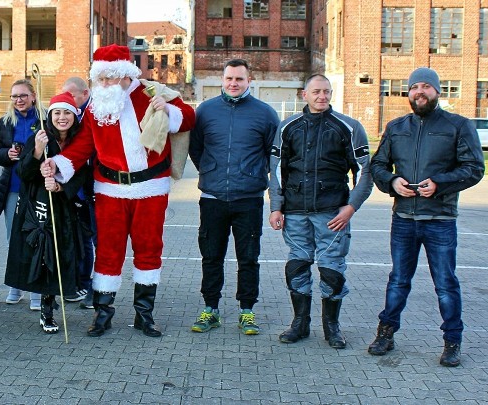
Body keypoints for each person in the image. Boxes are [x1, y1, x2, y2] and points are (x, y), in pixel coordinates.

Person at [42, 44, 196, 337]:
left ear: (125, 75)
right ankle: (102, 314)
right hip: (110, 190)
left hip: (151, 188)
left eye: (109, 78)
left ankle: (144, 314)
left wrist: (169, 110)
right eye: (100, 79)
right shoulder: (97, 106)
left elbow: (188, 118)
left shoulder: (151, 94)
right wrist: (58, 164)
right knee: (109, 252)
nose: (104, 85)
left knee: (149, 250)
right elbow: (82, 146)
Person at [367, 67, 485, 367]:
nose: (420, 91)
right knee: (398, 281)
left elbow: (474, 168)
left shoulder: (458, 126)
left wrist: (440, 184)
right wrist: (393, 183)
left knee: (445, 283)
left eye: (426, 86)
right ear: (408, 93)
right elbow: (378, 165)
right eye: (414, 87)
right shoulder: (396, 127)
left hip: (440, 221)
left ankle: (452, 341)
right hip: (404, 218)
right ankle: (386, 333)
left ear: (437, 91)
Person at [268, 74, 373, 348]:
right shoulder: (287, 127)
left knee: (332, 271)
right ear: (305, 94)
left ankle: (332, 327)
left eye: (326, 92)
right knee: (297, 266)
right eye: (316, 91)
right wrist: (276, 207)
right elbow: (277, 170)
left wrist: (351, 207)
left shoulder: (349, 127)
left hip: (332, 214)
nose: (322, 96)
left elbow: (364, 172)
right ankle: (300, 323)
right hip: (295, 212)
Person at [187, 59, 279, 336]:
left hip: (248, 198)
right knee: (211, 255)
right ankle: (210, 309)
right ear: (222, 79)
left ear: (249, 80)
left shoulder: (265, 114)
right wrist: (210, 170)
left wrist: (253, 174)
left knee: (248, 257)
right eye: (229, 78)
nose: (233, 83)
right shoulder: (205, 110)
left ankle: (247, 310)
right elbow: (196, 148)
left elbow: (272, 155)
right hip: (213, 196)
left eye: (239, 79)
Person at [5, 92, 88, 333]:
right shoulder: (40, 137)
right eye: (57, 113)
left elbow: (82, 172)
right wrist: (37, 152)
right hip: (39, 208)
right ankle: (46, 311)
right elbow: (23, 173)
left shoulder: (79, 142)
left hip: (65, 209)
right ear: (50, 115)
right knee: (44, 258)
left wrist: (61, 186)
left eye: (67, 113)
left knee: (61, 257)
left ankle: (58, 299)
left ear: (74, 115)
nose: (62, 118)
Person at [0, 79, 44, 310]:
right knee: (14, 239)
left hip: (37, 188)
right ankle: (16, 285)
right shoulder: (4, 122)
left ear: (33, 96)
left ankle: (35, 290)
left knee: (36, 237)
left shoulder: (45, 119)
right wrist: (7, 154)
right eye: (14, 96)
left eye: (23, 95)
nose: (18, 100)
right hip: (12, 187)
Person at [61, 76, 95, 308]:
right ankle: (78, 282)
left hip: (95, 188)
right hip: (74, 190)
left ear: (85, 93)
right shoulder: (69, 116)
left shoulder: (94, 113)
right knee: (80, 239)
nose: (68, 100)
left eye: (71, 95)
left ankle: (95, 287)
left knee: (96, 239)